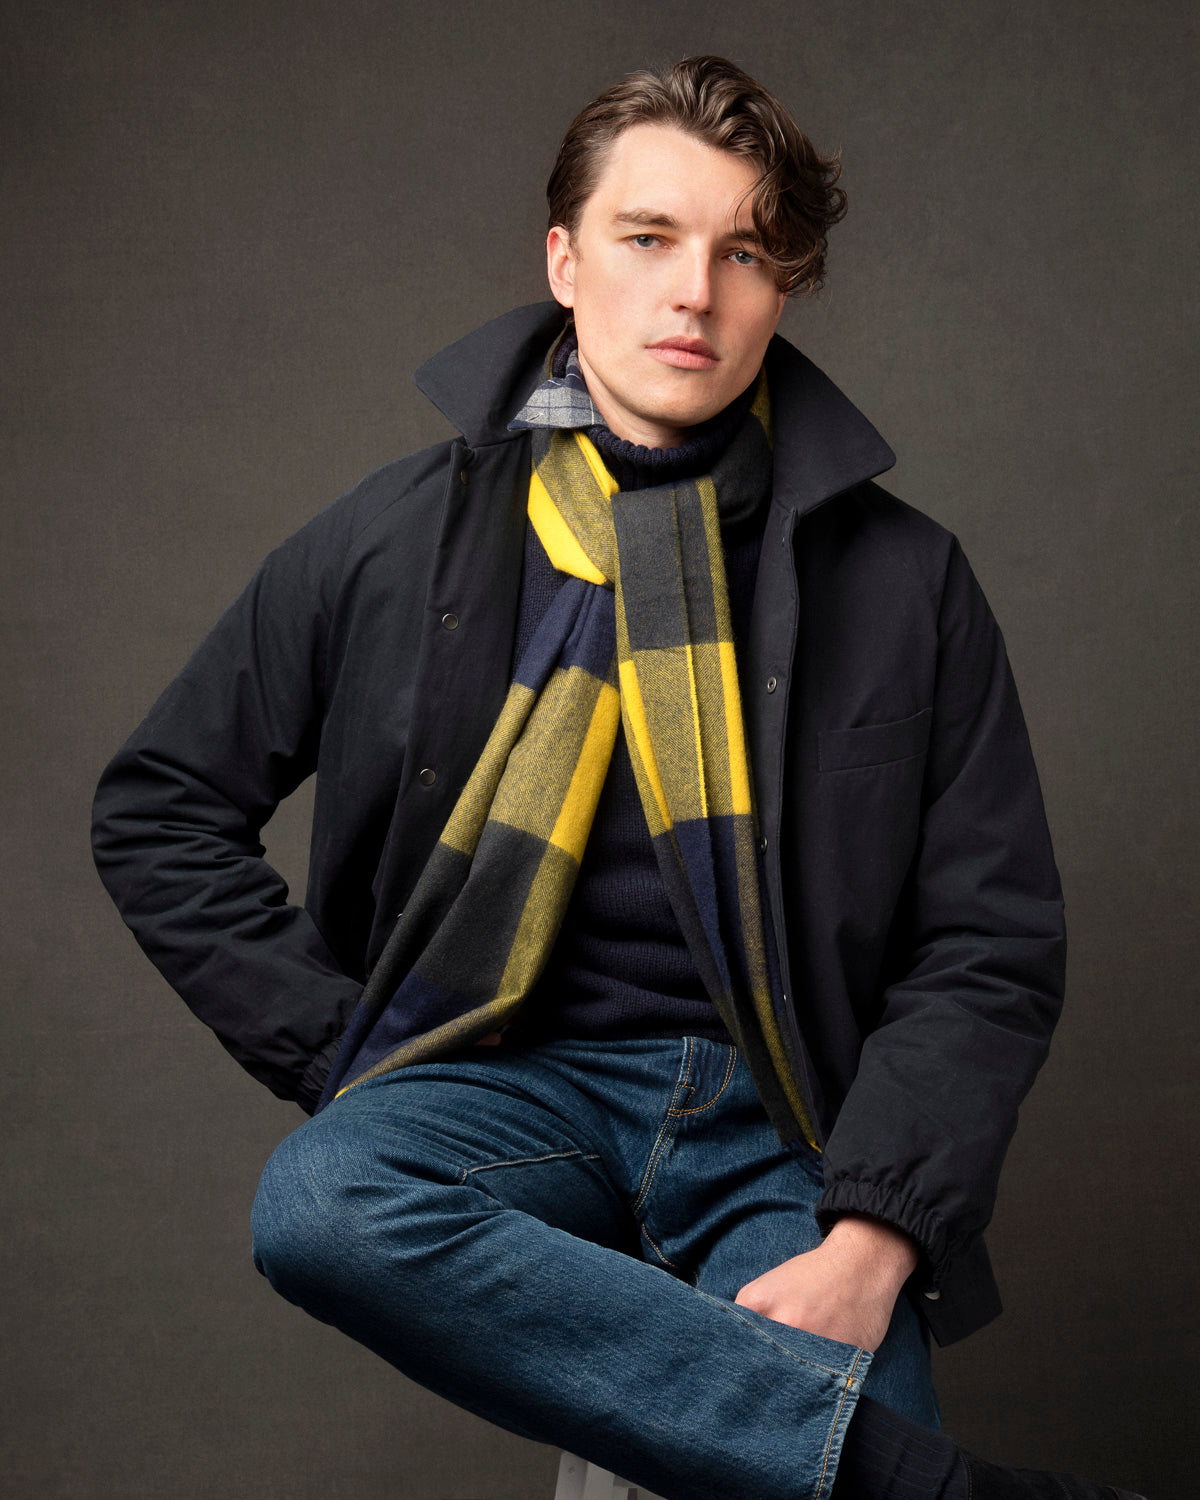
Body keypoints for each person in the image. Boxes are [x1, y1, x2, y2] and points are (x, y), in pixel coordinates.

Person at [92, 55, 1144, 1500]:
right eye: (648, 238)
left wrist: (874, 1242)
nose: (693, 293)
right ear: (565, 262)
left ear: (783, 292)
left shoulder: (904, 581)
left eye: (746, 254)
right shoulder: (398, 540)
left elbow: (989, 942)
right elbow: (159, 806)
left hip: (788, 1125)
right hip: (508, 1087)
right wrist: (341, 1049)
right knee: (325, 1201)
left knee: (831, 1408)